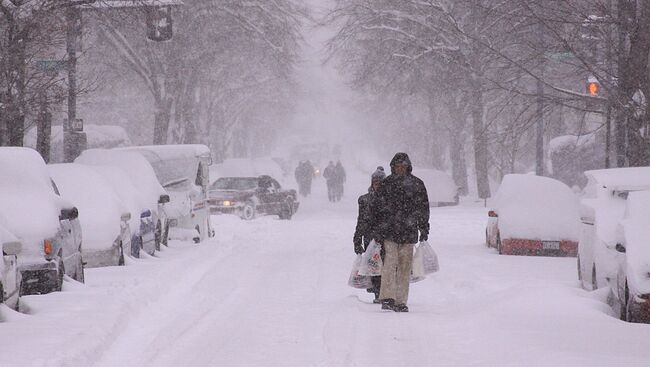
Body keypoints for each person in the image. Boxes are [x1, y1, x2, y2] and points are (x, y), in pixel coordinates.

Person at [372, 153, 429, 312]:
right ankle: (388, 297)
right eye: (398, 166)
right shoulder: (387, 184)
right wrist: (378, 228)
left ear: (408, 167)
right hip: (390, 232)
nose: (400, 169)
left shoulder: (417, 184)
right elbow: (377, 209)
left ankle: (400, 300)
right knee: (390, 264)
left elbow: (423, 209)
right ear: (393, 167)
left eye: (403, 166)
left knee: (405, 267)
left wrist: (424, 227)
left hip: (408, 233)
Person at [353, 167, 386, 302]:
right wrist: (357, 239)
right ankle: (378, 293)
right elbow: (360, 220)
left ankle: (384, 292)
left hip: (385, 237)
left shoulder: (389, 199)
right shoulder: (365, 200)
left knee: (385, 266)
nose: (377, 184)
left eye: (380, 182)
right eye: (375, 182)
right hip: (370, 238)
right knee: (373, 267)